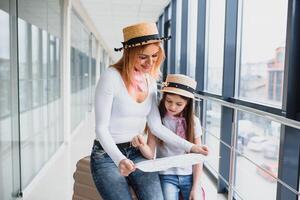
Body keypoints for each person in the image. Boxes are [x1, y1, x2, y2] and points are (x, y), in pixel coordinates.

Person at [90, 22, 208, 200]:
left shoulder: (150, 81)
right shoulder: (110, 77)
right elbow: (101, 128)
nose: (150, 62)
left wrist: (191, 147)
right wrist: (119, 159)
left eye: (154, 56)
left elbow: (157, 127)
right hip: (106, 155)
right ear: (129, 53)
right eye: (143, 57)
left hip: (136, 152)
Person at [131, 74, 205, 200]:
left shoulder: (193, 122)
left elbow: (198, 158)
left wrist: (196, 187)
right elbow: (150, 154)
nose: (172, 107)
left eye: (179, 104)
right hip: (166, 175)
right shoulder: (157, 121)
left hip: (189, 175)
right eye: (169, 101)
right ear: (164, 98)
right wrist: (142, 145)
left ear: (187, 104)